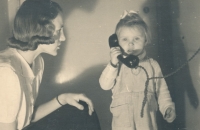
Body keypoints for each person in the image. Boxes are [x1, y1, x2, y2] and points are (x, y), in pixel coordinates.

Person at [0, 0, 100, 130]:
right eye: (59, 31)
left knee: (82, 108)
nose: (63, 38)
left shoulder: (37, 63)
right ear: (40, 30)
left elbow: (28, 117)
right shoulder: (7, 73)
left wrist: (62, 99)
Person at [99, 10, 176, 130]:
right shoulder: (116, 65)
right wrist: (112, 64)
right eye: (125, 39)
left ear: (145, 40)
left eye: (136, 39)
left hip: (147, 122)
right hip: (122, 123)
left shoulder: (152, 65)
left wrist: (168, 107)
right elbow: (104, 85)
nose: (130, 44)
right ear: (116, 42)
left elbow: (162, 91)